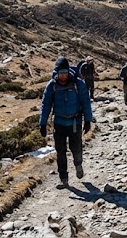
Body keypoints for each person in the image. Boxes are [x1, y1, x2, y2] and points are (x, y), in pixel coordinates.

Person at [39, 57, 94, 189]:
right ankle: (63, 178)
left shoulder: (78, 83)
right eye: (61, 72)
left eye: (65, 72)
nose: (63, 75)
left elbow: (85, 102)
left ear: (69, 71)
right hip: (59, 122)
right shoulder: (51, 86)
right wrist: (42, 123)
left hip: (74, 121)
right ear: (56, 72)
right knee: (60, 151)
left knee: (76, 148)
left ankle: (78, 164)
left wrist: (88, 120)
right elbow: (45, 105)